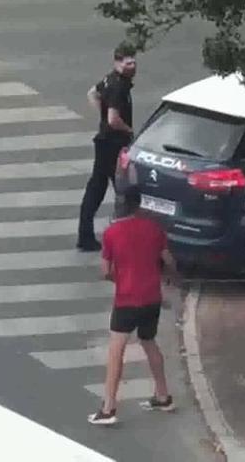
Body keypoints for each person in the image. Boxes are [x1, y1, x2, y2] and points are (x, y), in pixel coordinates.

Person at [88, 186, 179, 426]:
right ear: (140, 205)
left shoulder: (111, 233)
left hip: (126, 299)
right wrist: (167, 278)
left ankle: (108, 407)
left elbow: (105, 271)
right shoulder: (154, 229)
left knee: (116, 350)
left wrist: (118, 278)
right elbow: (168, 261)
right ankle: (163, 395)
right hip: (151, 298)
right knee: (148, 341)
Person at [77, 43, 137, 252]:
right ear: (118, 62)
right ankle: (125, 236)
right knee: (123, 189)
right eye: (128, 63)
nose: (132, 66)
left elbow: (92, 93)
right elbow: (113, 119)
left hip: (105, 142)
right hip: (113, 143)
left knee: (98, 187)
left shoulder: (110, 79)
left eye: (133, 62)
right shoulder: (118, 86)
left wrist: (102, 114)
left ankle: (85, 235)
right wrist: (129, 130)